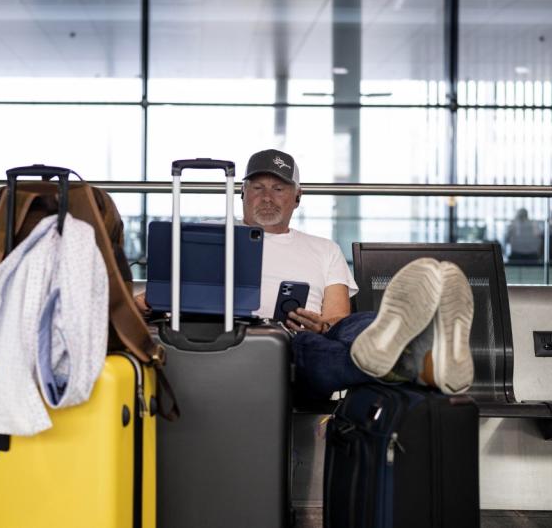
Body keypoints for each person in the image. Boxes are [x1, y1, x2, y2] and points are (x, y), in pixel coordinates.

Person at [138, 149, 475, 401]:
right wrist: (145, 303)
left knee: (358, 325)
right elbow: (152, 300)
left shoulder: (323, 249)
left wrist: (321, 323)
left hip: (314, 340)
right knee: (300, 346)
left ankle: (414, 350)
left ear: (298, 197)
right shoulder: (207, 239)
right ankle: (424, 362)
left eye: (279, 188)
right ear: (241, 193)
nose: (267, 197)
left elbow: (337, 319)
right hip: (247, 346)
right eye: (257, 187)